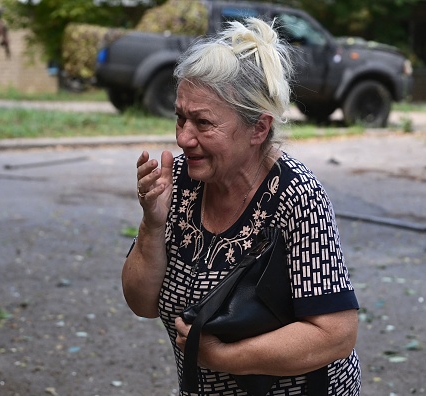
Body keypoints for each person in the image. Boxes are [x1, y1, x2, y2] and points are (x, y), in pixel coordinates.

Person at [122, 17, 360, 395]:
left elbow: (335, 335)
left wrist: (219, 358)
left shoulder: (296, 195)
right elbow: (142, 303)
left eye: (203, 123)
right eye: (180, 117)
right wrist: (152, 223)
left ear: (258, 129)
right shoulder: (182, 180)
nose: (184, 138)